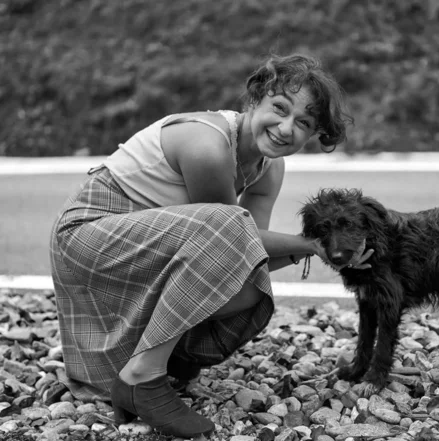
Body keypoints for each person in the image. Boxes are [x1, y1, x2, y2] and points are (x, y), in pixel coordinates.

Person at [49, 53, 372, 438]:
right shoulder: (209, 145)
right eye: (279, 109)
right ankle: (142, 376)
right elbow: (232, 232)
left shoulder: (269, 168)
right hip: (88, 236)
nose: (287, 128)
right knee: (227, 224)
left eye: (303, 123)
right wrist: (313, 243)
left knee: (251, 288)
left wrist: (322, 250)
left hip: (139, 247)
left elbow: (245, 256)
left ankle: (175, 358)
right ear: (254, 100)